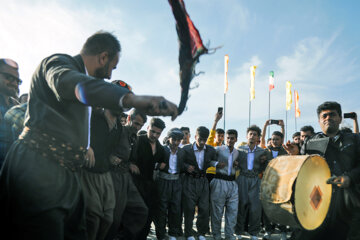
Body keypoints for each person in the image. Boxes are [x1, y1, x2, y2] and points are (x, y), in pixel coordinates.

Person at [0, 31, 178, 239]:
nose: (110, 75)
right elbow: (69, 83)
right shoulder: (58, 63)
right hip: (38, 169)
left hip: (68, 175)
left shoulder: (87, 90)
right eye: (112, 67)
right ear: (103, 57)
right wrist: (131, 100)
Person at [284, 101, 360, 240]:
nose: (328, 118)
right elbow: (302, 172)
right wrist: (296, 157)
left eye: (332, 114)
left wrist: (349, 178)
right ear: (319, 121)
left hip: (347, 203)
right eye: (324, 116)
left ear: (340, 118)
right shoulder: (309, 142)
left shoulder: (355, 140)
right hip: (316, 202)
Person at [106, 107, 148, 240]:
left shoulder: (135, 138)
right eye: (136, 123)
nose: (138, 127)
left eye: (141, 125)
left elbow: (131, 157)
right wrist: (110, 157)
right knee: (114, 217)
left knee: (141, 210)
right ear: (129, 119)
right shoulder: (118, 130)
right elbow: (102, 147)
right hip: (113, 176)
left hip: (126, 177)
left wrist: (130, 164)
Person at [80, 106, 120, 240]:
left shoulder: (118, 126)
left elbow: (111, 148)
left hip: (105, 174)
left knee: (108, 218)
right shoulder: (93, 116)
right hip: (88, 172)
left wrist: (112, 157)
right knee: (93, 217)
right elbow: (76, 130)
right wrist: (86, 146)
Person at [235, 125, 272, 240]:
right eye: (250, 134)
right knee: (241, 205)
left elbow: (267, 166)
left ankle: (254, 233)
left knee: (255, 207)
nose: (252, 136)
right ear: (247, 136)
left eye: (254, 134)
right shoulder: (240, 150)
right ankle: (239, 231)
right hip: (242, 178)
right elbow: (234, 163)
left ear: (258, 138)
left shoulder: (263, 152)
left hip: (255, 179)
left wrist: (264, 162)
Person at [132, 117, 166, 240]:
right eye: (152, 131)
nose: (155, 135)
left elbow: (163, 162)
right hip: (134, 184)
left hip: (150, 186)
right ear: (147, 128)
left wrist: (162, 164)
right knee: (134, 215)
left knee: (148, 215)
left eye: (158, 133)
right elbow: (127, 157)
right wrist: (131, 164)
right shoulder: (137, 140)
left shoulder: (160, 148)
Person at [182, 126, 216, 240]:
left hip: (203, 180)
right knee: (189, 208)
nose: (202, 142)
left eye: (204, 139)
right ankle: (189, 233)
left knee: (204, 208)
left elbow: (213, 160)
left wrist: (215, 164)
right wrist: (186, 166)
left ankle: (201, 233)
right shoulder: (186, 149)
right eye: (200, 139)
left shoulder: (211, 150)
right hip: (189, 181)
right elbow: (179, 162)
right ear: (195, 136)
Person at [210, 129, 240, 240]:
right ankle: (217, 235)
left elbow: (239, 165)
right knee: (217, 212)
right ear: (224, 138)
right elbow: (208, 160)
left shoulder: (237, 152)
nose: (230, 140)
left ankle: (229, 235)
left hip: (232, 183)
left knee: (232, 211)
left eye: (232, 138)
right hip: (219, 181)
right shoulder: (218, 149)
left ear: (236, 139)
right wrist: (216, 164)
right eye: (228, 138)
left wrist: (237, 165)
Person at [155, 128, 185, 240]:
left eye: (179, 140)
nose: (176, 143)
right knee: (162, 209)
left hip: (176, 182)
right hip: (163, 181)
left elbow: (183, 165)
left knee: (175, 209)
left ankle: (172, 233)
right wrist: (158, 166)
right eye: (174, 140)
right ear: (169, 139)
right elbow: (153, 161)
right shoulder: (162, 149)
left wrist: (188, 167)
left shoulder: (181, 151)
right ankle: (161, 235)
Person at [0, 58, 21, 167]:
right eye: (9, 78)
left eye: (18, 81)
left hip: (12, 174)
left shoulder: (18, 108)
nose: (14, 83)